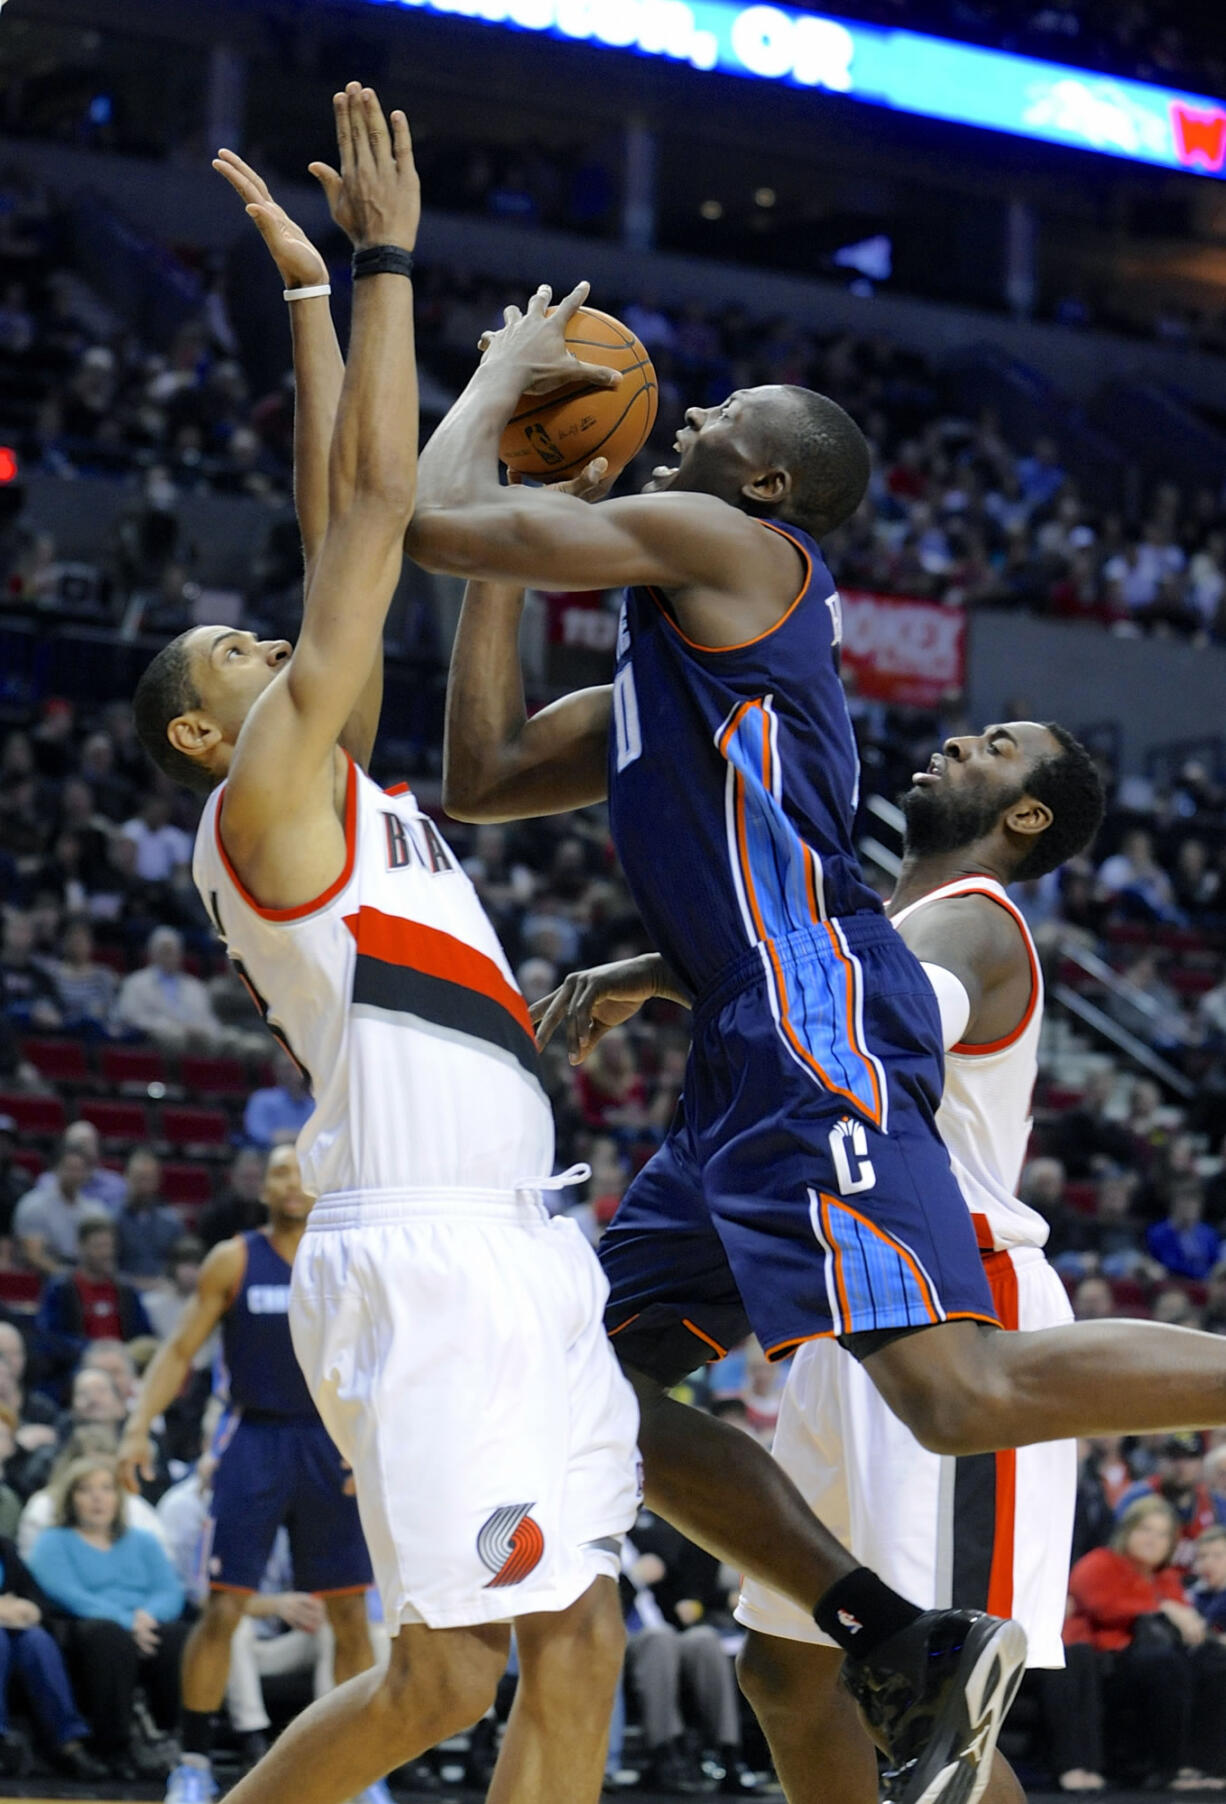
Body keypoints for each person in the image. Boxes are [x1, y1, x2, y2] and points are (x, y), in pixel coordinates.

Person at [415, 283, 1226, 1802]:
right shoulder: (661, 656)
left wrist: (502, 392)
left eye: (715, 423)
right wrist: (520, 507)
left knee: (953, 1395)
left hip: (809, 1018)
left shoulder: (750, 554)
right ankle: (892, 1636)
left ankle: (917, 1637)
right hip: (740, 1051)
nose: (683, 421)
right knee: (581, 1378)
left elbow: (435, 520)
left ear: (768, 484)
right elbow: (479, 770)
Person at [130, 94, 637, 1804]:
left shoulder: (322, 769)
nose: (265, 642)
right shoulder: (264, 802)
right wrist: (386, 268)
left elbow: (328, 530)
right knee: (441, 1673)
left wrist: (300, 303)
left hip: (518, 1241)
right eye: (233, 653)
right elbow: (362, 534)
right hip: (419, 1261)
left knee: (582, 1637)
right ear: (208, 737)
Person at [548, 716, 1101, 1804]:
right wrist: (663, 972)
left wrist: (674, 967)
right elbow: (810, 975)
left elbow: (865, 1005)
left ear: (1024, 814)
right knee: (789, 1672)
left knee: (940, 1722)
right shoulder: (874, 918)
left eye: (993, 745)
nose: (957, 740)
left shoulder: (976, 922)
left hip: (953, 1298)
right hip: (843, 1300)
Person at [120, 1144, 378, 1804]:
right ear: (262, 1187)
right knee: (224, 1607)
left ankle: (360, 1770)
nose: (292, 1183)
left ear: (323, 1183)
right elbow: (179, 1350)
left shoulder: (355, 1257)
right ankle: (195, 1762)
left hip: (332, 1443)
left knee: (350, 1615)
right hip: (253, 1439)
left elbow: (386, 1359)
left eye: (302, 1171)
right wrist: (135, 1426)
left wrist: (378, 1445)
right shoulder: (233, 1258)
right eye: (279, 1173)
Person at [1042, 1497, 1226, 1791]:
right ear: (1127, 1531)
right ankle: (1169, 1768)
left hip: (1157, 1659)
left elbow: (1186, 1621)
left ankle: (1204, 1766)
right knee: (1165, 1665)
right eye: (1145, 1529)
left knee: (1214, 1664)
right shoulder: (1101, 1562)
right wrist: (1160, 1607)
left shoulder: (1166, 1577)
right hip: (1107, 1662)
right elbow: (1103, 1606)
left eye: (1162, 1534)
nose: (1152, 1540)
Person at [28, 1455, 188, 1780]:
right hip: (84, 1627)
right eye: (85, 1490)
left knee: (178, 1635)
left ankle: (171, 1736)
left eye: (105, 1489)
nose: (98, 1498)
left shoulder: (142, 1541)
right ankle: (113, 1745)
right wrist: (128, 1622)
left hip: (144, 1623)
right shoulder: (53, 1541)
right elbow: (66, 1594)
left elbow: (170, 1590)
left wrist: (147, 1618)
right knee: (108, 1636)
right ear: (70, 1499)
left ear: (119, 1497)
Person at [0, 1529, 105, 1780]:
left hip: (14, 1629)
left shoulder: (4, 1546)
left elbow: (35, 1598)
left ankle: (67, 1741)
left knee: (38, 1641)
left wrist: (30, 1609)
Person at [36, 1216, 152, 1369]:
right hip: (77, 1366)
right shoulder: (61, 1288)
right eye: (98, 1246)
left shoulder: (126, 1290)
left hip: (124, 1364)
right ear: (80, 1247)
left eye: (109, 1246)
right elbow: (49, 1338)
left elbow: (143, 1333)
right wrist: (92, 1350)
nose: (106, 1253)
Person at [13, 1141, 95, 1276]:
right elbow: (34, 1256)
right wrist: (69, 1278)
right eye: (69, 1168)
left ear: (86, 1174)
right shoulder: (34, 1205)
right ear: (56, 1169)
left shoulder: (93, 1210)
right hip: (43, 1277)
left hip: (81, 1274)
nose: (74, 1175)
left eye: (79, 1170)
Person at [115, 1146, 184, 1283]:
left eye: (149, 1179)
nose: (144, 1186)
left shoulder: (171, 1222)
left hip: (163, 1291)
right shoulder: (111, 1220)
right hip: (124, 1292)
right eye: (139, 1178)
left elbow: (178, 1265)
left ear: (158, 1181)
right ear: (126, 1177)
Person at [242, 1049, 314, 1148]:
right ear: (276, 1070)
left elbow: (320, 1136)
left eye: (296, 1068)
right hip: (267, 1155)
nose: (292, 1073)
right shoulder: (261, 1099)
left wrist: (285, 1136)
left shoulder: (315, 1104)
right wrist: (299, 1136)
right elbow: (257, 1133)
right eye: (287, 1068)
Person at [199, 1146, 265, 1248]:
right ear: (233, 1177)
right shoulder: (215, 1214)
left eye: (256, 1178)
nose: (251, 1184)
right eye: (246, 1177)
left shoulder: (272, 1213)